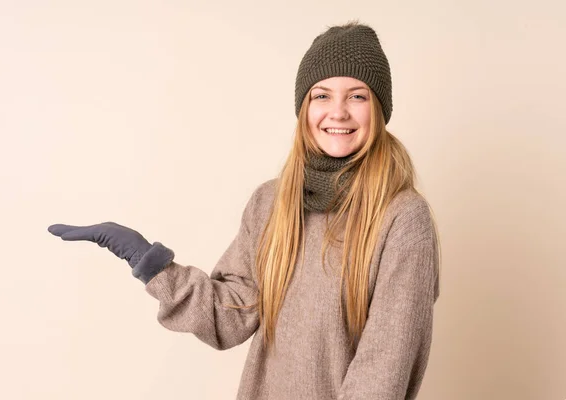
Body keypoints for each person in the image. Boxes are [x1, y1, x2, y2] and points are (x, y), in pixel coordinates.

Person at [48, 20, 441, 400]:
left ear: (380, 109)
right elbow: (231, 315)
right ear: (304, 108)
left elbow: (384, 368)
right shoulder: (271, 203)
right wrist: (148, 261)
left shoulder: (403, 218)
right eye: (321, 95)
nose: (337, 112)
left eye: (357, 95)